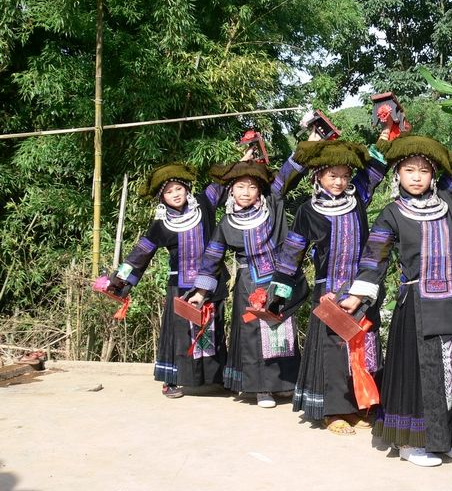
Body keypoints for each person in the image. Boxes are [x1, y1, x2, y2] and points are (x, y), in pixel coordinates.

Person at [339, 106, 452, 467]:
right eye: (409, 170)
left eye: (423, 170)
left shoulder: (447, 199)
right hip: (416, 307)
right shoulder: (392, 214)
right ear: (398, 173)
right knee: (418, 374)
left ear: (432, 175)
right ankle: (412, 444)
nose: (416, 177)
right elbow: (374, 257)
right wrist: (357, 295)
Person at [271, 122, 390, 435]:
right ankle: (334, 412)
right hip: (329, 293)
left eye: (344, 176)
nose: (339, 182)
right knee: (335, 351)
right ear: (318, 176)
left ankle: (362, 406)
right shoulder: (308, 211)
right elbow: (292, 255)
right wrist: (278, 294)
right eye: (332, 176)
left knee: (365, 346)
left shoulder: (358, 198)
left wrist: (386, 134)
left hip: (363, 287)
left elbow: (375, 169)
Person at [187, 155, 308, 408]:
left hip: (279, 280)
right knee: (253, 335)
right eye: (240, 186)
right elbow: (212, 257)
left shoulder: (272, 205)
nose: (246, 192)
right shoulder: (226, 223)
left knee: (282, 331)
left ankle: (285, 383)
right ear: (231, 190)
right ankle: (261, 388)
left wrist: (308, 146)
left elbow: (285, 175)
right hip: (248, 283)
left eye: (252, 187)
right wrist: (200, 292)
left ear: (259, 190)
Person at [109, 163, 229, 398]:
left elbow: (224, 181)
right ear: (162, 197)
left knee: (212, 329)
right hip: (180, 285)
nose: (175, 194)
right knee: (178, 334)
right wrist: (118, 280)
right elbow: (141, 253)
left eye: (179, 189)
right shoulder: (161, 224)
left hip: (211, 282)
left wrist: (245, 160)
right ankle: (171, 380)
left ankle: (216, 378)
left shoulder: (204, 203)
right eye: (169, 191)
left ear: (187, 189)